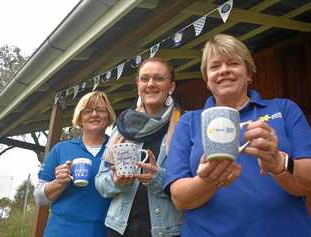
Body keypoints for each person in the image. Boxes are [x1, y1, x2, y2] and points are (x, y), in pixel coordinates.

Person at [164, 34, 311, 237]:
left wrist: (279, 162)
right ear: (207, 80)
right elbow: (179, 199)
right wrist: (209, 181)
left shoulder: (284, 109)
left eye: (233, 63)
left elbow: (307, 183)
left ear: (249, 74)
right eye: (215, 67)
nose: (224, 70)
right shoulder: (188, 122)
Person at [95, 57, 182, 237]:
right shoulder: (122, 128)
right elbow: (101, 183)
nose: (150, 84)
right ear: (138, 85)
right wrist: (116, 182)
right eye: (145, 78)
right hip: (118, 229)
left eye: (158, 78)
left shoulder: (183, 125)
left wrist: (157, 178)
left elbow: (190, 182)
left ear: (171, 87)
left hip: (165, 231)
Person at [34, 91, 116, 237]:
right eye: (88, 111)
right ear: (79, 117)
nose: (94, 114)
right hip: (61, 231)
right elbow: (39, 198)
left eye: (101, 110)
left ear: (108, 116)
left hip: (104, 232)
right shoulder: (61, 149)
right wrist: (59, 183)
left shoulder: (116, 149)